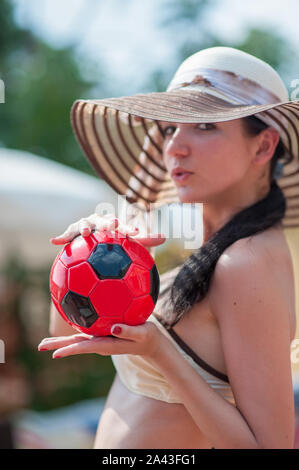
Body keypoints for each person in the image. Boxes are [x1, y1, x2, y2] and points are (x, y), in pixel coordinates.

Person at [38, 47, 299, 449]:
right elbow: (63, 333)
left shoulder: (246, 263)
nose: (175, 146)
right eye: (168, 129)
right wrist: (83, 255)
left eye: (205, 125)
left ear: (263, 147)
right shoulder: (211, 251)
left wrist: (160, 351)